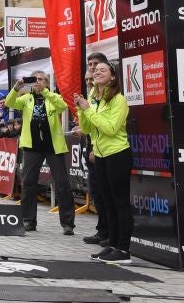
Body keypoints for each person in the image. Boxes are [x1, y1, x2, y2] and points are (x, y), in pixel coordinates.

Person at [74, 61, 132, 264]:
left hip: (117, 154)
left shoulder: (119, 100)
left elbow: (110, 129)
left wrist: (88, 109)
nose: (97, 72)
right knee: (108, 203)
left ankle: (124, 250)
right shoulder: (94, 97)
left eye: (103, 70)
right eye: (95, 70)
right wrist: (82, 110)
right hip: (100, 155)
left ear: (113, 76)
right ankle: (113, 245)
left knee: (121, 203)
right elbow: (89, 129)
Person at [5, 71, 75, 235]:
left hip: (53, 147)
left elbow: (62, 106)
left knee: (62, 184)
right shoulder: (26, 98)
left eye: (41, 79)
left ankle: (68, 223)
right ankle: (28, 220)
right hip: (32, 147)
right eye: (35, 79)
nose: (38, 82)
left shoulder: (52, 97)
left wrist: (44, 91)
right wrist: (16, 88)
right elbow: (9, 102)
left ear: (47, 82)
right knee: (28, 183)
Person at [74, 52, 110, 247]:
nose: (93, 70)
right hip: (91, 146)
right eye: (90, 66)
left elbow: (107, 124)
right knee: (96, 192)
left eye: (97, 66)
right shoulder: (92, 93)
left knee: (106, 194)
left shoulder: (110, 94)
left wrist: (96, 147)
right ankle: (102, 230)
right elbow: (89, 124)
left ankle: (109, 233)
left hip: (104, 149)